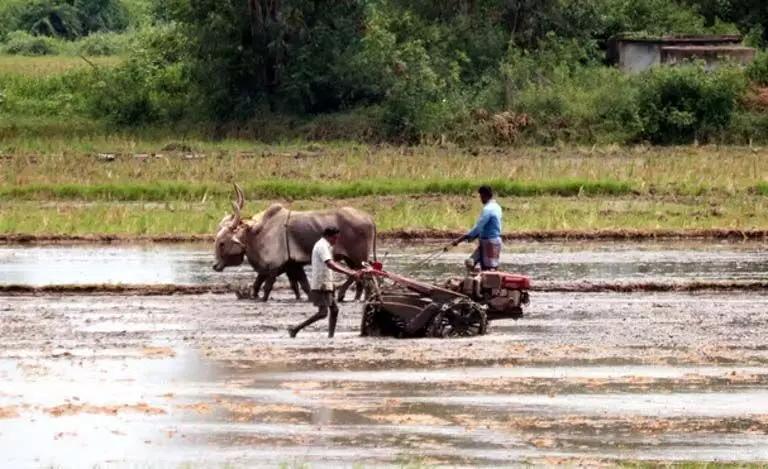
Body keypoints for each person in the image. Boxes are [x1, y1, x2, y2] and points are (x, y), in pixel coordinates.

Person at [288, 227, 363, 338]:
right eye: (334, 238)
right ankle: (296, 329)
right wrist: (349, 272)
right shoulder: (322, 246)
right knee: (323, 313)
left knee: (335, 310)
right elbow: (330, 264)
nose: (335, 241)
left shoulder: (326, 246)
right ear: (328, 236)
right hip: (321, 284)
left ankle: (330, 336)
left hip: (326, 282)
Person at [450, 185, 503, 271]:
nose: (480, 199)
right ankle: (474, 281)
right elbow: (483, 228)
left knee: (489, 269)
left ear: (484, 196)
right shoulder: (497, 207)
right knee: (470, 262)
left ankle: (484, 282)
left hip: (489, 243)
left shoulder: (488, 209)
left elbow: (478, 228)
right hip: (490, 242)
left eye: (481, 196)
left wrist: (460, 239)